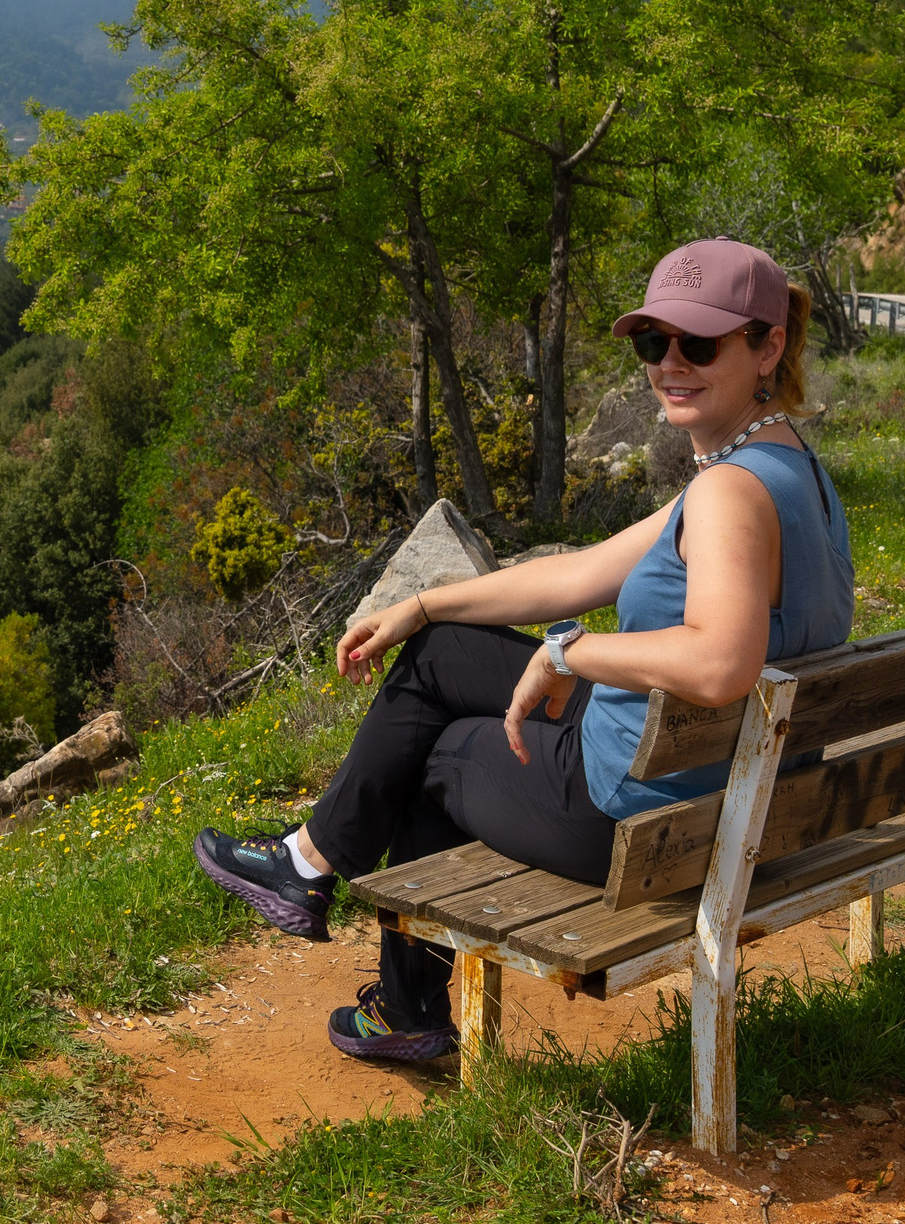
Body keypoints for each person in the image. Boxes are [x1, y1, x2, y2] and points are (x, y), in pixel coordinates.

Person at [193, 238, 855, 1062]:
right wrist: (422, 604)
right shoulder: (783, 468)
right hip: (722, 782)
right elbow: (580, 572)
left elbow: (721, 663)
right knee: (441, 656)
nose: (670, 363)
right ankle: (310, 859)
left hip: (640, 813)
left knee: (434, 751)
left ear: (768, 343)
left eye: (700, 343)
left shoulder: (725, 493)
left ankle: (405, 1002)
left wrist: (570, 656)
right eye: (654, 342)